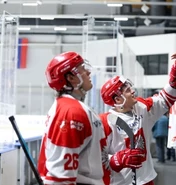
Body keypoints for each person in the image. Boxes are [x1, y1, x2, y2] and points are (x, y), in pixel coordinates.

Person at [37, 51, 146, 185]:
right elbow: (61, 176)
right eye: (82, 69)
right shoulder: (72, 111)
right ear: (71, 78)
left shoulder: (69, 107)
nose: (88, 72)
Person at [99, 60, 176, 185]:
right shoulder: (105, 122)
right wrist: (115, 159)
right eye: (128, 90)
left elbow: (163, 101)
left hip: (146, 179)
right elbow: (95, 156)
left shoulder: (141, 107)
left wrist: (174, 83)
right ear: (118, 99)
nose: (133, 91)